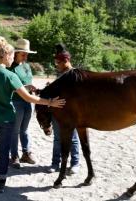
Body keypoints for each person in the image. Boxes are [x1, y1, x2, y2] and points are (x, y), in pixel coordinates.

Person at [0, 42, 65, 193]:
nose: (12, 59)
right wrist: (50, 102)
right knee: (3, 151)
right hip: (8, 120)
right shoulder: (11, 76)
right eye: (11, 56)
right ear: (5, 56)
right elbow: (29, 98)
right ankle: (1, 184)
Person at [47, 44, 80, 174]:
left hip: (71, 113)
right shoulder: (60, 75)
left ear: (66, 61)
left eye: (58, 62)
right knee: (57, 138)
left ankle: (75, 163)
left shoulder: (75, 75)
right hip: (57, 112)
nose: (56, 65)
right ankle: (55, 163)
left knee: (73, 138)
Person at [9, 39, 37, 169]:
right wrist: (25, 87)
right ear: (16, 53)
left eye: (27, 54)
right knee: (15, 130)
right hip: (16, 101)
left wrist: (31, 89)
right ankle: (14, 156)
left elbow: (28, 80)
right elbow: (9, 85)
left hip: (28, 101)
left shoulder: (26, 66)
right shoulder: (10, 67)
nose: (26, 56)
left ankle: (26, 153)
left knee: (24, 129)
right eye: (23, 54)